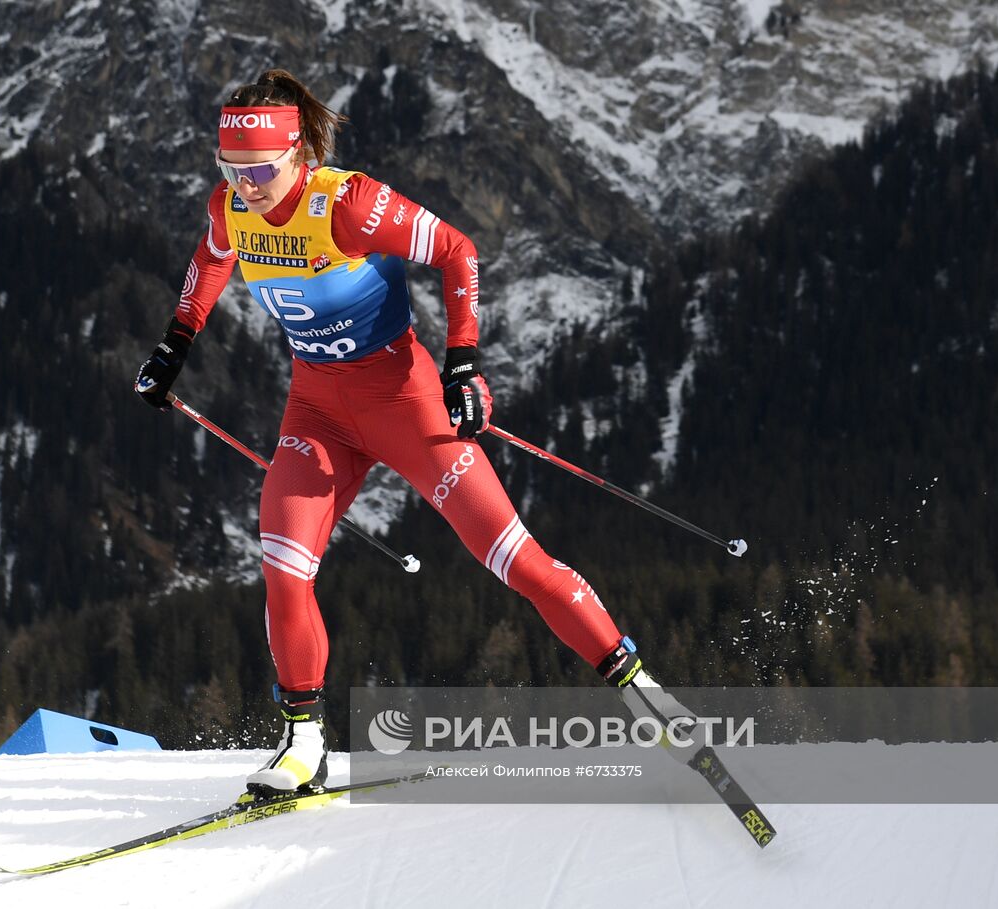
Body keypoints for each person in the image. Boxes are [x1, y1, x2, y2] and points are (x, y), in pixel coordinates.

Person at [135, 69, 649, 794]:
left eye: (259, 170)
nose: (245, 184)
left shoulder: (348, 204)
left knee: (516, 561)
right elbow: (209, 263)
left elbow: (458, 249)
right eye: (231, 170)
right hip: (316, 411)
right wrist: (174, 345)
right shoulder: (232, 208)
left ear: (297, 155)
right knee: (282, 566)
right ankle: (303, 743)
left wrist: (464, 360)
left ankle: (650, 698)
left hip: (404, 402)